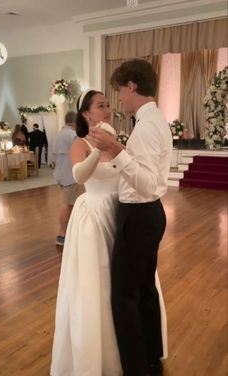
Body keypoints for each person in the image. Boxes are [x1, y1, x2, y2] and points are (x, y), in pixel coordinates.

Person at [50, 89, 167, 376]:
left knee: (126, 285)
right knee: (98, 285)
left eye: (108, 105)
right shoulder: (80, 142)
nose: (108, 110)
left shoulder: (116, 139)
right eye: (100, 105)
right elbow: (79, 176)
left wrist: (115, 147)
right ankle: (100, 354)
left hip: (121, 213)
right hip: (93, 216)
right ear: (86, 114)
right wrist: (101, 151)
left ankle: (136, 346)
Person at [89, 59, 172, 376]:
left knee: (124, 296)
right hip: (146, 214)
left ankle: (137, 368)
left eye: (120, 91)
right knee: (144, 290)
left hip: (139, 214)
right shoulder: (151, 121)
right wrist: (121, 150)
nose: (119, 99)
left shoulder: (148, 125)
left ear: (132, 86)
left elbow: (148, 183)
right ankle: (152, 358)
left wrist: (115, 149)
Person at [53, 111, 84, 247]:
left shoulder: (58, 134)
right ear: (74, 122)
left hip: (60, 174)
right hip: (70, 176)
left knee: (70, 205)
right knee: (68, 205)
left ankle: (68, 233)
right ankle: (62, 235)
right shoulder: (73, 136)